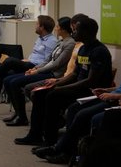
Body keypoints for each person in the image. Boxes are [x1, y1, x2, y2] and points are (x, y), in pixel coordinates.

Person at [14, 18, 113, 146]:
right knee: (40, 94)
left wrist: (62, 88)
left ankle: (50, 141)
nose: (73, 33)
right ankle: (35, 135)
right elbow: (75, 74)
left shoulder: (99, 51)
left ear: (87, 32)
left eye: (76, 30)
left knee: (52, 96)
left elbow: (90, 81)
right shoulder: (83, 49)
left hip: (90, 91)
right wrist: (58, 83)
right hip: (78, 87)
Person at [0, 15, 58, 116]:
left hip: (36, 67)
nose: (35, 26)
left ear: (42, 27)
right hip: (29, 63)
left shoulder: (51, 41)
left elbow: (48, 61)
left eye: (37, 24)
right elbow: (36, 55)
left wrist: (35, 68)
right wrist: (26, 60)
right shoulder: (40, 39)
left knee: (9, 60)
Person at [1, 17, 75, 126]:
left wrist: (37, 71)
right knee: (7, 80)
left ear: (63, 29)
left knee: (14, 81)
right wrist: (35, 69)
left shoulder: (70, 44)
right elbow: (48, 60)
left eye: (58, 27)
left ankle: (22, 117)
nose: (56, 29)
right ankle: (18, 113)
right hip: (43, 70)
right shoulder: (60, 42)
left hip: (52, 74)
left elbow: (56, 64)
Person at [33, 80, 121, 164]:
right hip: (111, 97)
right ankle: (67, 150)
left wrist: (116, 96)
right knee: (74, 108)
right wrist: (106, 90)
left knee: (85, 115)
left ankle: (60, 148)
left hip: (117, 101)